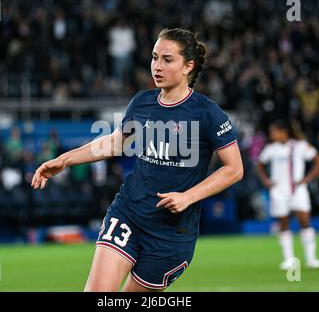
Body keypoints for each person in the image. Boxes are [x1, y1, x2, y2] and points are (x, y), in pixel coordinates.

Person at [31, 28, 243, 292]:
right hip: (129, 213)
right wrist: (64, 160)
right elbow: (116, 143)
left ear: (188, 66)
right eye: (154, 58)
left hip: (171, 233)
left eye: (167, 59)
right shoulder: (142, 102)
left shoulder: (208, 113)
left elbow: (234, 169)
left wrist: (188, 196)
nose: (157, 66)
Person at [256, 120, 319, 270]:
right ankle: (288, 260)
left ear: (283, 131)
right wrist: (266, 181)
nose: (271, 134)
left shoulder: (300, 146)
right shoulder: (271, 149)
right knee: (283, 225)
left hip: (297, 189)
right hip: (279, 191)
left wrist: (307, 179)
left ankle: (311, 259)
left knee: (305, 222)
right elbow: (259, 165)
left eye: (273, 131)